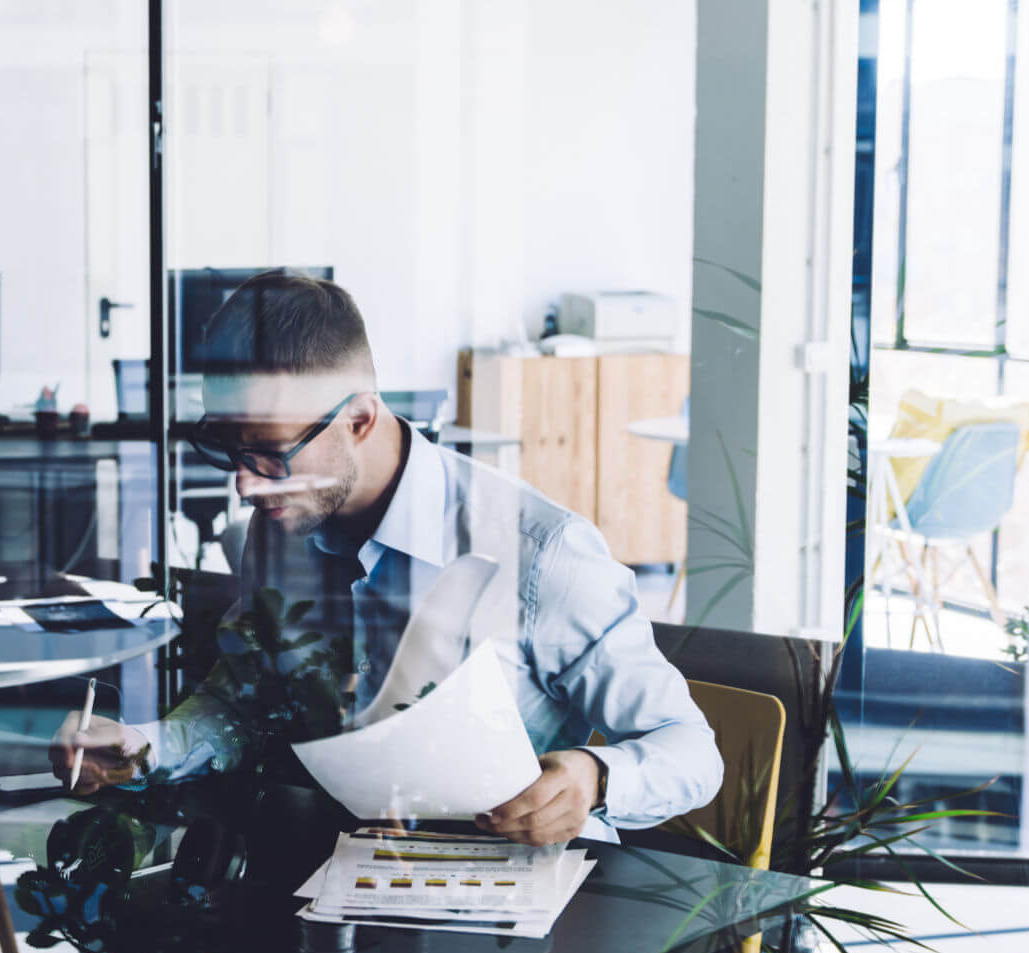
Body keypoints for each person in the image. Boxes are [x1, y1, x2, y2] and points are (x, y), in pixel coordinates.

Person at [52, 269, 719, 844]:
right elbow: (245, 704)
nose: (246, 484)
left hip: (518, 899)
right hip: (338, 874)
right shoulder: (276, 526)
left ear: (361, 420)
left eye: (270, 454)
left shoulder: (540, 553)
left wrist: (594, 777)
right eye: (228, 450)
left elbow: (691, 752)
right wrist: (147, 747)